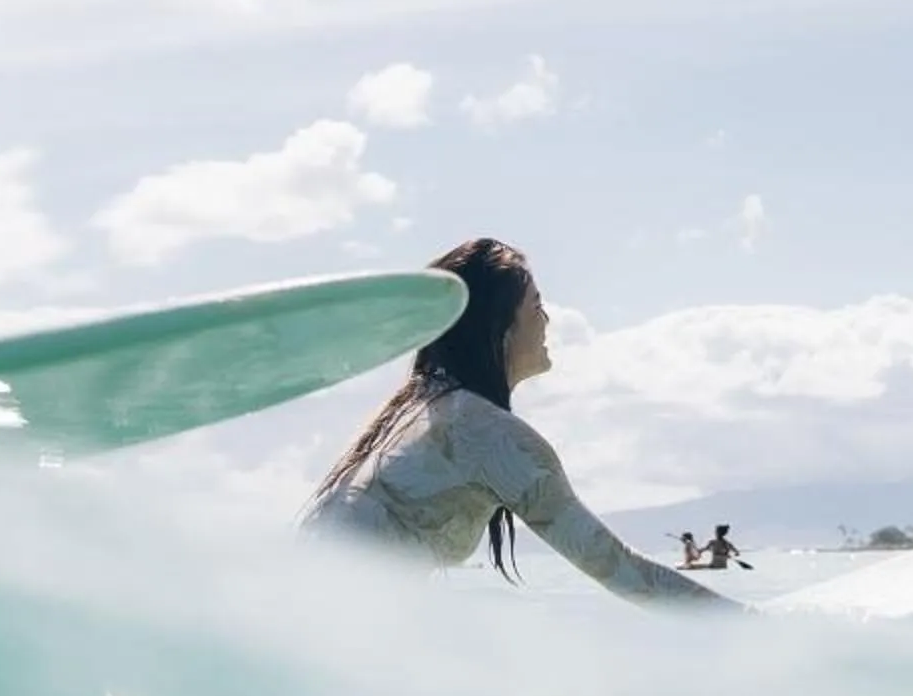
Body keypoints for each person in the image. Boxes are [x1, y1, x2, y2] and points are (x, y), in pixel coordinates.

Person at [302, 239, 734, 608]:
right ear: (499, 325)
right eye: (537, 306)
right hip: (333, 629)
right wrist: (756, 626)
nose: (547, 321)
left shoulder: (409, 412)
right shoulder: (488, 435)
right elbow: (620, 570)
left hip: (307, 614)